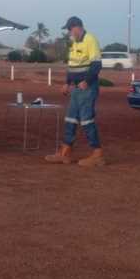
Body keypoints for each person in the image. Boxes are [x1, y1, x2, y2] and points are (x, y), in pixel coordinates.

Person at [45, 16, 106, 167]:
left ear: (77, 27)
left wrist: (87, 81)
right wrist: (67, 83)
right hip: (77, 89)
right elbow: (72, 67)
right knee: (70, 119)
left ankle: (97, 155)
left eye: (70, 29)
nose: (69, 32)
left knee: (86, 120)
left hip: (88, 88)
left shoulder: (90, 40)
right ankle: (65, 153)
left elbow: (97, 65)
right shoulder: (74, 43)